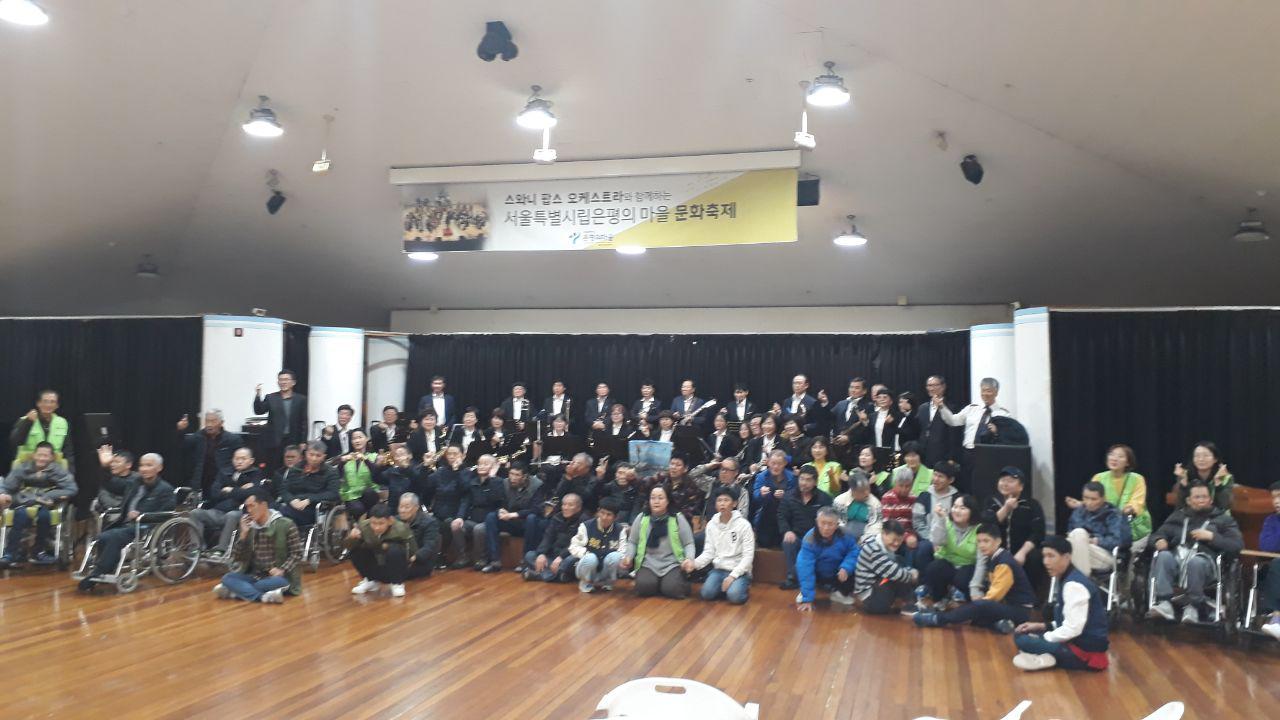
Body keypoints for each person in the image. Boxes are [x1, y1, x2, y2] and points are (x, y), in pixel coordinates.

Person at [1148, 482, 1244, 623]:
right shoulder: (1178, 517)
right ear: (1188, 500)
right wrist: (1158, 540)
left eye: (1204, 497)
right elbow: (1156, 535)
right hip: (1178, 560)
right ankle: (1165, 603)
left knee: (1196, 562)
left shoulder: (1223, 519)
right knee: (1163, 556)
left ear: (1210, 500)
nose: (1201, 500)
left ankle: (1194, 605)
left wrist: (1212, 537)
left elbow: (1236, 545)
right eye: (1197, 497)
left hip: (1206, 563)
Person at [1011, 536, 1110, 672]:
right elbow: (1068, 619)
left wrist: (1044, 638)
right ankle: (1047, 657)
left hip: (1084, 654)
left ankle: (1048, 658)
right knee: (1024, 633)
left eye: (1051, 556)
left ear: (1066, 557)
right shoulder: (1068, 578)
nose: (1046, 562)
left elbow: (1073, 629)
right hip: (1074, 642)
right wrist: (1041, 626)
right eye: (1044, 556)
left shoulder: (1074, 585)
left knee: (1022, 640)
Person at [77, 453, 174, 591]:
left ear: (159, 468)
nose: (144, 468)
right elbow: (110, 484)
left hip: (145, 527)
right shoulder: (135, 483)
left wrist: (142, 515)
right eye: (142, 465)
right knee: (103, 536)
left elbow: (167, 514)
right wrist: (105, 467)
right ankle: (106, 568)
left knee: (114, 536)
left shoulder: (165, 489)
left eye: (149, 465)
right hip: (126, 524)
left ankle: (99, 572)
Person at [914, 523, 1036, 632]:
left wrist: (977, 604)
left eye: (986, 541)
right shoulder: (995, 558)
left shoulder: (1004, 563)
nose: (982, 545)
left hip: (1019, 610)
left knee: (980, 607)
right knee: (976, 618)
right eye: (979, 541)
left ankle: (938, 619)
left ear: (998, 541)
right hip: (1007, 606)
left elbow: (995, 596)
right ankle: (1000, 624)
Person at [212, 489, 303, 603]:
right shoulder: (249, 527)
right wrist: (243, 534)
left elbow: (297, 553)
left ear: (264, 505)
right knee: (227, 578)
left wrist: (282, 569)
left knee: (269, 583)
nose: (249, 510)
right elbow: (237, 557)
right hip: (254, 576)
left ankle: (236, 592)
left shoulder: (286, 524)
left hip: (279, 577)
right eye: (247, 507)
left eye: (252, 506)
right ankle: (263, 597)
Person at [0, 442, 77, 566]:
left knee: (44, 517)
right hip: (24, 502)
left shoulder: (58, 470)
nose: (41, 458)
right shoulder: (22, 467)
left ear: (52, 457)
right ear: (34, 455)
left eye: (45, 456)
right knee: (20, 515)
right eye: (39, 455)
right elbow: (7, 487)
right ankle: (11, 553)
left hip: (46, 505)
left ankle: (38, 552)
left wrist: (49, 495)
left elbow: (71, 489)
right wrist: (4, 494)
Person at [1069, 444, 1151, 553]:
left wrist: (1129, 509)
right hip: (1105, 529)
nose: (1114, 459)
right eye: (1112, 454)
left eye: (1120, 456)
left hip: (1133, 529)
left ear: (1128, 462)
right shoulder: (1099, 477)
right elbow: (1094, 500)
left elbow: (1137, 503)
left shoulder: (1137, 479)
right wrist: (1081, 504)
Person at [622, 485, 696, 599]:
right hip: (648, 563)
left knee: (672, 589)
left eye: (660, 498)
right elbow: (632, 542)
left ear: (668, 501)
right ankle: (659, 584)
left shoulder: (677, 518)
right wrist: (629, 557)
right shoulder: (642, 518)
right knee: (643, 587)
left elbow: (688, 543)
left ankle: (670, 584)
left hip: (672, 563)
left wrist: (689, 559)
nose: (656, 501)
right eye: (653, 498)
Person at [189, 447, 265, 558]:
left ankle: (221, 550)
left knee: (232, 515)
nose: (239, 461)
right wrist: (241, 491)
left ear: (251, 461)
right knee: (195, 513)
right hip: (219, 510)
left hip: (241, 511)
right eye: (236, 458)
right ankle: (197, 548)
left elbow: (254, 492)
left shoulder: (256, 473)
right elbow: (214, 493)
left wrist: (231, 490)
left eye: (243, 459)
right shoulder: (224, 472)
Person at [981, 466, 1047, 592]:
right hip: (998, 550)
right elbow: (987, 526)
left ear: (1021, 486)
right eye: (1002, 480)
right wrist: (1006, 508)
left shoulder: (1031, 505)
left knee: (1035, 557)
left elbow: (1038, 533)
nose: (1005, 484)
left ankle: (1031, 595)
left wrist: (1022, 552)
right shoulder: (991, 502)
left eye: (1010, 481)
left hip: (1022, 551)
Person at [937, 378, 1011, 487]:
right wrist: (942, 407)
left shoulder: (1003, 414)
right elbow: (953, 421)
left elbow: (1007, 438)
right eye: (983, 390)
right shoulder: (972, 409)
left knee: (985, 484)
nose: (985, 394)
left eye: (989, 391)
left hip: (988, 455)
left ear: (996, 392)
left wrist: (997, 432)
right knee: (967, 483)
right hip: (968, 453)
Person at [690, 487, 755, 604]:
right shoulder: (711, 524)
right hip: (719, 570)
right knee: (706, 594)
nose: (722, 504)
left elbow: (748, 557)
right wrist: (694, 564)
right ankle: (726, 587)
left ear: (734, 504)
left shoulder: (744, 525)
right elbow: (709, 552)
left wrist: (733, 576)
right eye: (719, 500)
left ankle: (740, 586)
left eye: (726, 500)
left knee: (735, 597)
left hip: (738, 571)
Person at [480, 461, 545, 573]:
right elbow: (496, 502)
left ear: (524, 476)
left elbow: (537, 509)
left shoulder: (537, 485)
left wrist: (515, 514)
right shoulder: (505, 483)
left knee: (532, 518)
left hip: (527, 523)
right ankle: (494, 561)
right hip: (510, 521)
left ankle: (525, 561)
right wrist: (500, 510)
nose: (513, 478)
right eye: (511, 474)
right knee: (491, 517)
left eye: (517, 475)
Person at [778, 465, 834, 590]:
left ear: (815, 482)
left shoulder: (825, 498)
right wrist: (787, 531)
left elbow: (829, 520)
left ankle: (824, 579)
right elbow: (781, 516)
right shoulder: (789, 496)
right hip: (797, 536)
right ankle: (793, 578)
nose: (804, 483)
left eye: (808, 480)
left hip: (817, 536)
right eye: (802, 479)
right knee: (788, 542)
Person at [919, 493, 978, 609]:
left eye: (962, 508)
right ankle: (938, 598)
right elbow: (937, 541)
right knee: (934, 568)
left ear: (972, 512)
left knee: (964, 578)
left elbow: (981, 560)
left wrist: (977, 588)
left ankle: (964, 602)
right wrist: (941, 519)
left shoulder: (979, 529)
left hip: (968, 566)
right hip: (948, 563)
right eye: (955, 507)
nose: (957, 511)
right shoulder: (946, 522)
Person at [346, 502, 417, 598]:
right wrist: (352, 538)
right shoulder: (363, 526)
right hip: (375, 563)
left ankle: (397, 584)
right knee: (356, 551)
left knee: (394, 550)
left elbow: (412, 550)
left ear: (390, 521)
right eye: (373, 523)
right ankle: (370, 580)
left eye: (381, 523)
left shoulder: (401, 529)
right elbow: (348, 547)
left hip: (396, 566)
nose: (377, 527)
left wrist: (387, 546)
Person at [795, 507, 860, 610]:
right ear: (817, 522)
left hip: (838, 571)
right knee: (801, 567)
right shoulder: (809, 539)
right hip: (818, 572)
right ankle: (805, 593)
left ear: (837, 525)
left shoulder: (846, 534)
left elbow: (854, 551)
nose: (826, 528)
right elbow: (805, 568)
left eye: (830, 524)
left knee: (856, 566)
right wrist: (807, 599)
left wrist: (846, 567)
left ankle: (840, 593)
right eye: (823, 523)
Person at [1065, 482, 1131, 576]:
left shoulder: (1114, 515)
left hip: (1105, 554)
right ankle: (1082, 578)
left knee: (1078, 535)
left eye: (1093, 499)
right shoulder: (1078, 512)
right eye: (1085, 498)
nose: (1089, 502)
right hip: (1082, 550)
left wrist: (1096, 541)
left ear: (1103, 498)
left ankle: (1081, 580)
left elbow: (1121, 541)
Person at [854, 520, 919, 614]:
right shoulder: (873, 549)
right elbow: (895, 573)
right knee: (897, 575)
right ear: (884, 533)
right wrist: (912, 574)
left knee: (899, 562)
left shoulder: (881, 544)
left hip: (875, 585)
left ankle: (906, 603)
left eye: (900, 540)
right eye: (894, 539)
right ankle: (906, 604)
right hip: (869, 597)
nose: (896, 543)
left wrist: (910, 571)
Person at [176, 409, 244, 497]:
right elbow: (182, 445)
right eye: (207, 421)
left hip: (223, 483)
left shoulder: (233, 439)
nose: (209, 424)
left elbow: (240, 460)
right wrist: (180, 431)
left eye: (213, 421)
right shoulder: (198, 436)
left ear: (221, 423)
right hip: (201, 482)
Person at [253, 370, 308, 472]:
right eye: (280, 380)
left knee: (293, 468)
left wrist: (303, 441)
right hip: (275, 440)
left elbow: (303, 421)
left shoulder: (301, 399)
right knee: (275, 467)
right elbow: (259, 411)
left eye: (286, 379)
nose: (283, 382)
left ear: (293, 382)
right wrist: (257, 396)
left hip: (293, 439)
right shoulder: (271, 397)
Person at [569, 496, 628, 592]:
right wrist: (586, 554)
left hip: (606, 569)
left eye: (609, 515)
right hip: (588, 567)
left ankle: (607, 582)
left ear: (615, 517)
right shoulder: (586, 526)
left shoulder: (620, 530)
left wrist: (623, 560)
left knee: (616, 556)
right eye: (602, 513)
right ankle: (586, 583)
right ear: (598, 512)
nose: (604, 517)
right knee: (590, 558)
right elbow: (574, 546)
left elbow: (623, 551)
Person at [426, 445, 472, 569]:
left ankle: (442, 555)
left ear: (463, 456)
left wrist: (457, 470)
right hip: (438, 511)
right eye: (449, 454)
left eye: (455, 454)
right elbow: (427, 486)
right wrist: (426, 467)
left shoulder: (467, 472)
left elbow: (465, 492)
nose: (451, 456)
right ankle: (429, 556)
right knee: (428, 523)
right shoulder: (441, 471)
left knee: (447, 524)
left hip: (455, 513)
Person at [456, 454, 504, 570]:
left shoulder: (498, 481)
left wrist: (491, 479)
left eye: (485, 464)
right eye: (479, 464)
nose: (481, 466)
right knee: (456, 525)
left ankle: (481, 558)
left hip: (490, 519)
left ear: (493, 467)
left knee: (478, 529)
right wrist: (460, 517)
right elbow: (466, 501)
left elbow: (496, 499)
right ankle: (463, 556)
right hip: (474, 518)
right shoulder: (473, 482)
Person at [276, 442, 340, 527]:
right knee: (273, 510)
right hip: (293, 504)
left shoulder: (330, 472)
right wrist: (291, 500)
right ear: (306, 454)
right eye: (311, 454)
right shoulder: (296, 469)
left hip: (314, 508)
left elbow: (333, 494)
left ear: (324, 457)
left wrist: (309, 500)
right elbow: (284, 489)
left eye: (318, 456)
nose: (314, 458)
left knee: (283, 515)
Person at [524, 492, 584, 583]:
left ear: (579, 508)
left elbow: (578, 544)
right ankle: (559, 576)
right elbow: (548, 537)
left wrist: (561, 557)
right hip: (553, 555)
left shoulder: (584, 521)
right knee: (530, 555)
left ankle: (539, 575)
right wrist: (542, 554)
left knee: (571, 561)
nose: (565, 508)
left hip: (569, 556)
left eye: (570, 505)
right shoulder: (557, 517)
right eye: (564, 504)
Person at [882, 466, 930, 570]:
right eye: (901, 486)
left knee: (917, 546)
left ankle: (910, 572)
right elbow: (888, 524)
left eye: (907, 486)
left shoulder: (914, 498)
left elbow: (915, 522)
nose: (904, 489)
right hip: (893, 534)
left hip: (911, 534)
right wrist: (906, 536)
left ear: (912, 484)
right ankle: (907, 571)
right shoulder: (888, 497)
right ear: (895, 483)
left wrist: (911, 535)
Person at [9, 389, 72, 470]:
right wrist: (28, 422)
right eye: (45, 401)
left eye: (52, 402)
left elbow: (68, 450)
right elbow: (15, 441)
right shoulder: (25, 420)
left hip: (53, 468)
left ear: (57, 405)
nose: (48, 405)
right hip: (27, 466)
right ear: (38, 403)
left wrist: (70, 471)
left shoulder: (62, 422)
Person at [750, 449, 795, 547]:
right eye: (773, 463)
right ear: (768, 462)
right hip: (765, 516)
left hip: (785, 515)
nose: (776, 466)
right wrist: (761, 493)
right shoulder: (761, 476)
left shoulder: (791, 477)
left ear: (785, 463)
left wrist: (785, 496)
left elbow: (795, 497)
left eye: (779, 464)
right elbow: (755, 496)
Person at [1173, 441, 1234, 512]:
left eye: (1206, 456)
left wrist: (1218, 481)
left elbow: (1224, 505)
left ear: (1215, 459)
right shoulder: (1184, 474)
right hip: (1191, 516)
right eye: (1197, 456)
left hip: (1217, 517)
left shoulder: (1226, 477)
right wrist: (1183, 482)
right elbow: (1180, 506)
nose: (1201, 459)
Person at [336, 429, 382, 520]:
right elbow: (337, 475)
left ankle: (368, 521)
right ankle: (361, 523)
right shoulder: (346, 458)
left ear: (366, 439)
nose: (357, 441)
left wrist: (366, 460)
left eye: (360, 437)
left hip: (369, 494)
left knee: (369, 492)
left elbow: (376, 474)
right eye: (354, 439)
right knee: (357, 509)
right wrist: (342, 462)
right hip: (351, 495)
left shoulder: (374, 456)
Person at [397, 492, 441, 581]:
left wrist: (412, 558)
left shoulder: (430, 522)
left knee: (393, 572)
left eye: (407, 507)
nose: (402, 510)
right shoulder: (395, 520)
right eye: (401, 507)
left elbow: (428, 547)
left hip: (420, 562)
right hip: (401, 559)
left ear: (416, 508)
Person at [915, 376, 957, 466]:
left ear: (943, 387)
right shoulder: (922, 408)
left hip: (942, 454)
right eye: (929, 385)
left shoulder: (951, 407)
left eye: (935, 385)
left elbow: (953, 434)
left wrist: (951, 457)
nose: (931, 388)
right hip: (923, 454)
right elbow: (918, 430)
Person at [1258, 481, 1280, 640]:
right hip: (1276, 566)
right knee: (1276, 564)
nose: (1276, 501)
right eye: (1274, 497)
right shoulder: (1271, 521)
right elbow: (1267, 547)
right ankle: (1277, 618)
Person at [95, 445, 137, 520]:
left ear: (128, 465)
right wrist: (105, 466)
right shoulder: (108, 479)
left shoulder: (137, 479)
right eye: (111, 462)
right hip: (110, 514)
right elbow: (103, 497)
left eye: (117, 462)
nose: (113, 465)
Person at [833, 474, 882, 539]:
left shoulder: (875, 503)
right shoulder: (839, 501)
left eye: (868, 489)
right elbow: (837, 522)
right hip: (843, 534)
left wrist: (864, 539)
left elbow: (876, 525)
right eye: (862, 491)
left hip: (867, 534)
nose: (867, 493)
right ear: (853, 491)